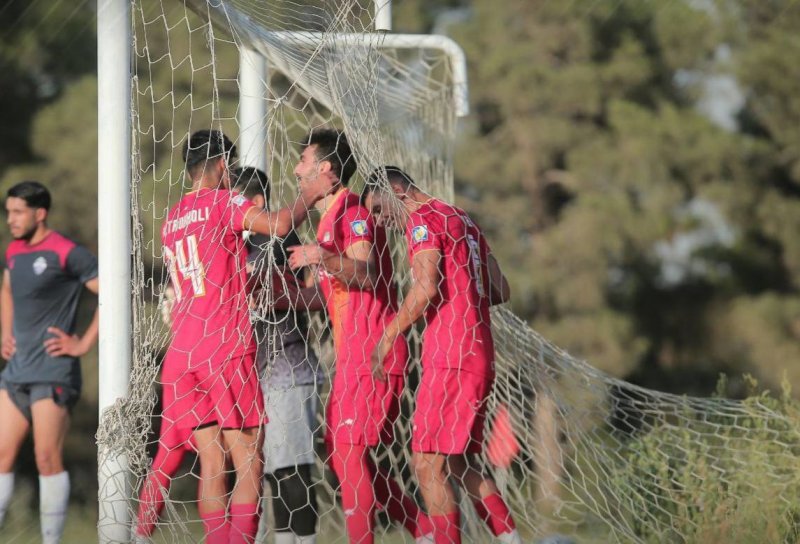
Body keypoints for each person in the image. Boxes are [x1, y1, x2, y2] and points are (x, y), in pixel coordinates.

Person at [160, 129, 330, 544]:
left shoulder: (172, 216)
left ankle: (143, 531)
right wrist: (311, 193)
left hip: (183, 349)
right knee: (252, 460)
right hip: (226, 347)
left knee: (209, 463)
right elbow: (282, 222)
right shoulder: (225, 202)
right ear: (222, 166)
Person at [364, 167, 521, 544]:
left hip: (450, 354)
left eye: (380, 210)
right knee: (460, 463)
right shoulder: (461, 217)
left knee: (425, 463)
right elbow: (500, 289)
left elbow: (426, 288)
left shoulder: (422, 220)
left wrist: (387, 335)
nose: (381, 221)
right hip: (479, 351)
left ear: (397, 189)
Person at [285, 130, 427, 543]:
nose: (296, 169)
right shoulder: (331, 219)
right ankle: (426, 531)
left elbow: (365, 273)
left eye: (303, 160)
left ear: (324, 168)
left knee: (346, 454)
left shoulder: (353, 212)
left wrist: (321, 256)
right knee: (340, 453)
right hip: (354, 355)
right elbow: (332, 291)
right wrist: (280, 297)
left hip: (373, 352)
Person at [0, 181, 99, 544]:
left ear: (39, 214)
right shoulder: (13, 251)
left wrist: (83, 343)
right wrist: (5, 333)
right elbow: (7, 289)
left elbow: (112, 290)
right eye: (8, 211)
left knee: (45, 457)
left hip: (53, 372)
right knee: (1, 456)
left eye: (17, 212)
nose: (10, 219)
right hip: (16, 372)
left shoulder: (67, 252)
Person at [235, 166, 322, 544]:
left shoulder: (279, 244)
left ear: (254, 203)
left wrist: (283, 297)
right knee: (271, 472)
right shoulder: (234, 246)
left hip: (288, 367)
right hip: (256, 373)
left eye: (234, 200)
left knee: (293, 471)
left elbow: (316, 293)